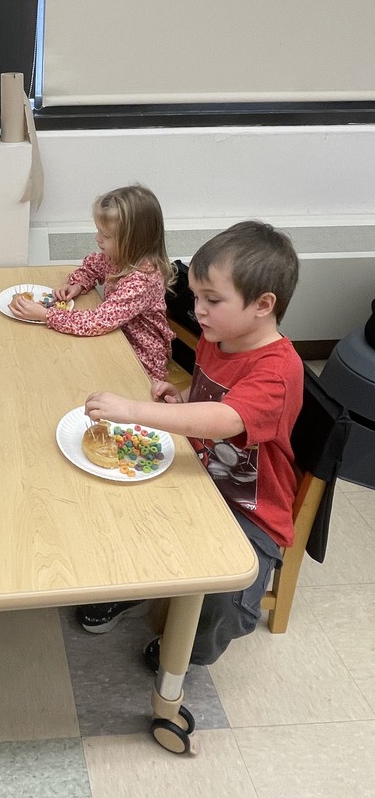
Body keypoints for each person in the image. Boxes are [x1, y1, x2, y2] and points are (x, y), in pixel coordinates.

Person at [76, 221, 303, 669]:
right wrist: (180, 398)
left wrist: (134, 409)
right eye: (196, 297)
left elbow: (225, 418)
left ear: (263, 305)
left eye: (212, 300)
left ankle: (186, 651)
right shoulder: (221, 337)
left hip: (250, 509)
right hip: (199, 471)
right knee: (116, 510)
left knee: (229, 596)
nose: (197, 310)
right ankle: (139, 592)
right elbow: (208, 401)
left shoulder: (278, 370)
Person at [8, 184, 176, 381]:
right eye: (98, 231)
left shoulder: (142, 280)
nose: (98, 239)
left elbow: (97, 322)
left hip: (140, 361)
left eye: (106, 236)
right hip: (114, 338)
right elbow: (94, 267)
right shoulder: (119, 257)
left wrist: (46, 315)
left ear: (134, 241)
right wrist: (78, 283)